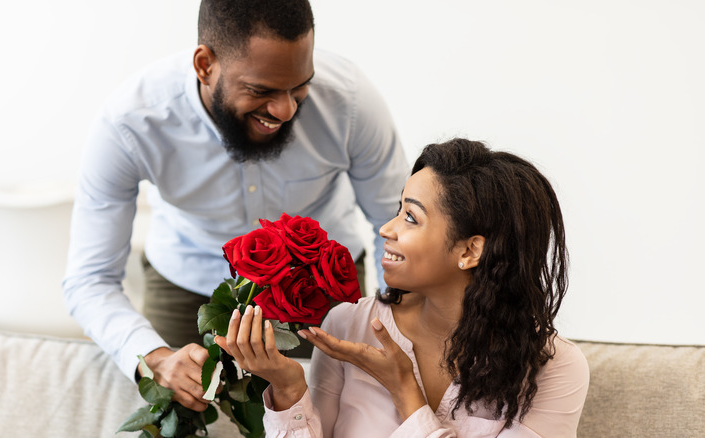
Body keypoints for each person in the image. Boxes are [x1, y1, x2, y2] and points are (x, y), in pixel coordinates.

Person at [62, 0, 408, 412]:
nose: (285, 110)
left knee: (339, 416)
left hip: (321, 288)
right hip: (186, 286)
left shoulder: (350, 102)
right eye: (261, 90)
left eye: (299, 88)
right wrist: (152, 357)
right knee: (181, 413)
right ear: (205, 65)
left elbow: (397, 230)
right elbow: (90, 279)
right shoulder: (129, 124)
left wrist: (394, 328)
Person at [215, 138, 590, 437]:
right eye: (398, 210)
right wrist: (288, 388)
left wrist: (405, 392)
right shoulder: (348, 326)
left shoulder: (552, 369)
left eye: (410, 217)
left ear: (470, 249)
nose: (386, 230)